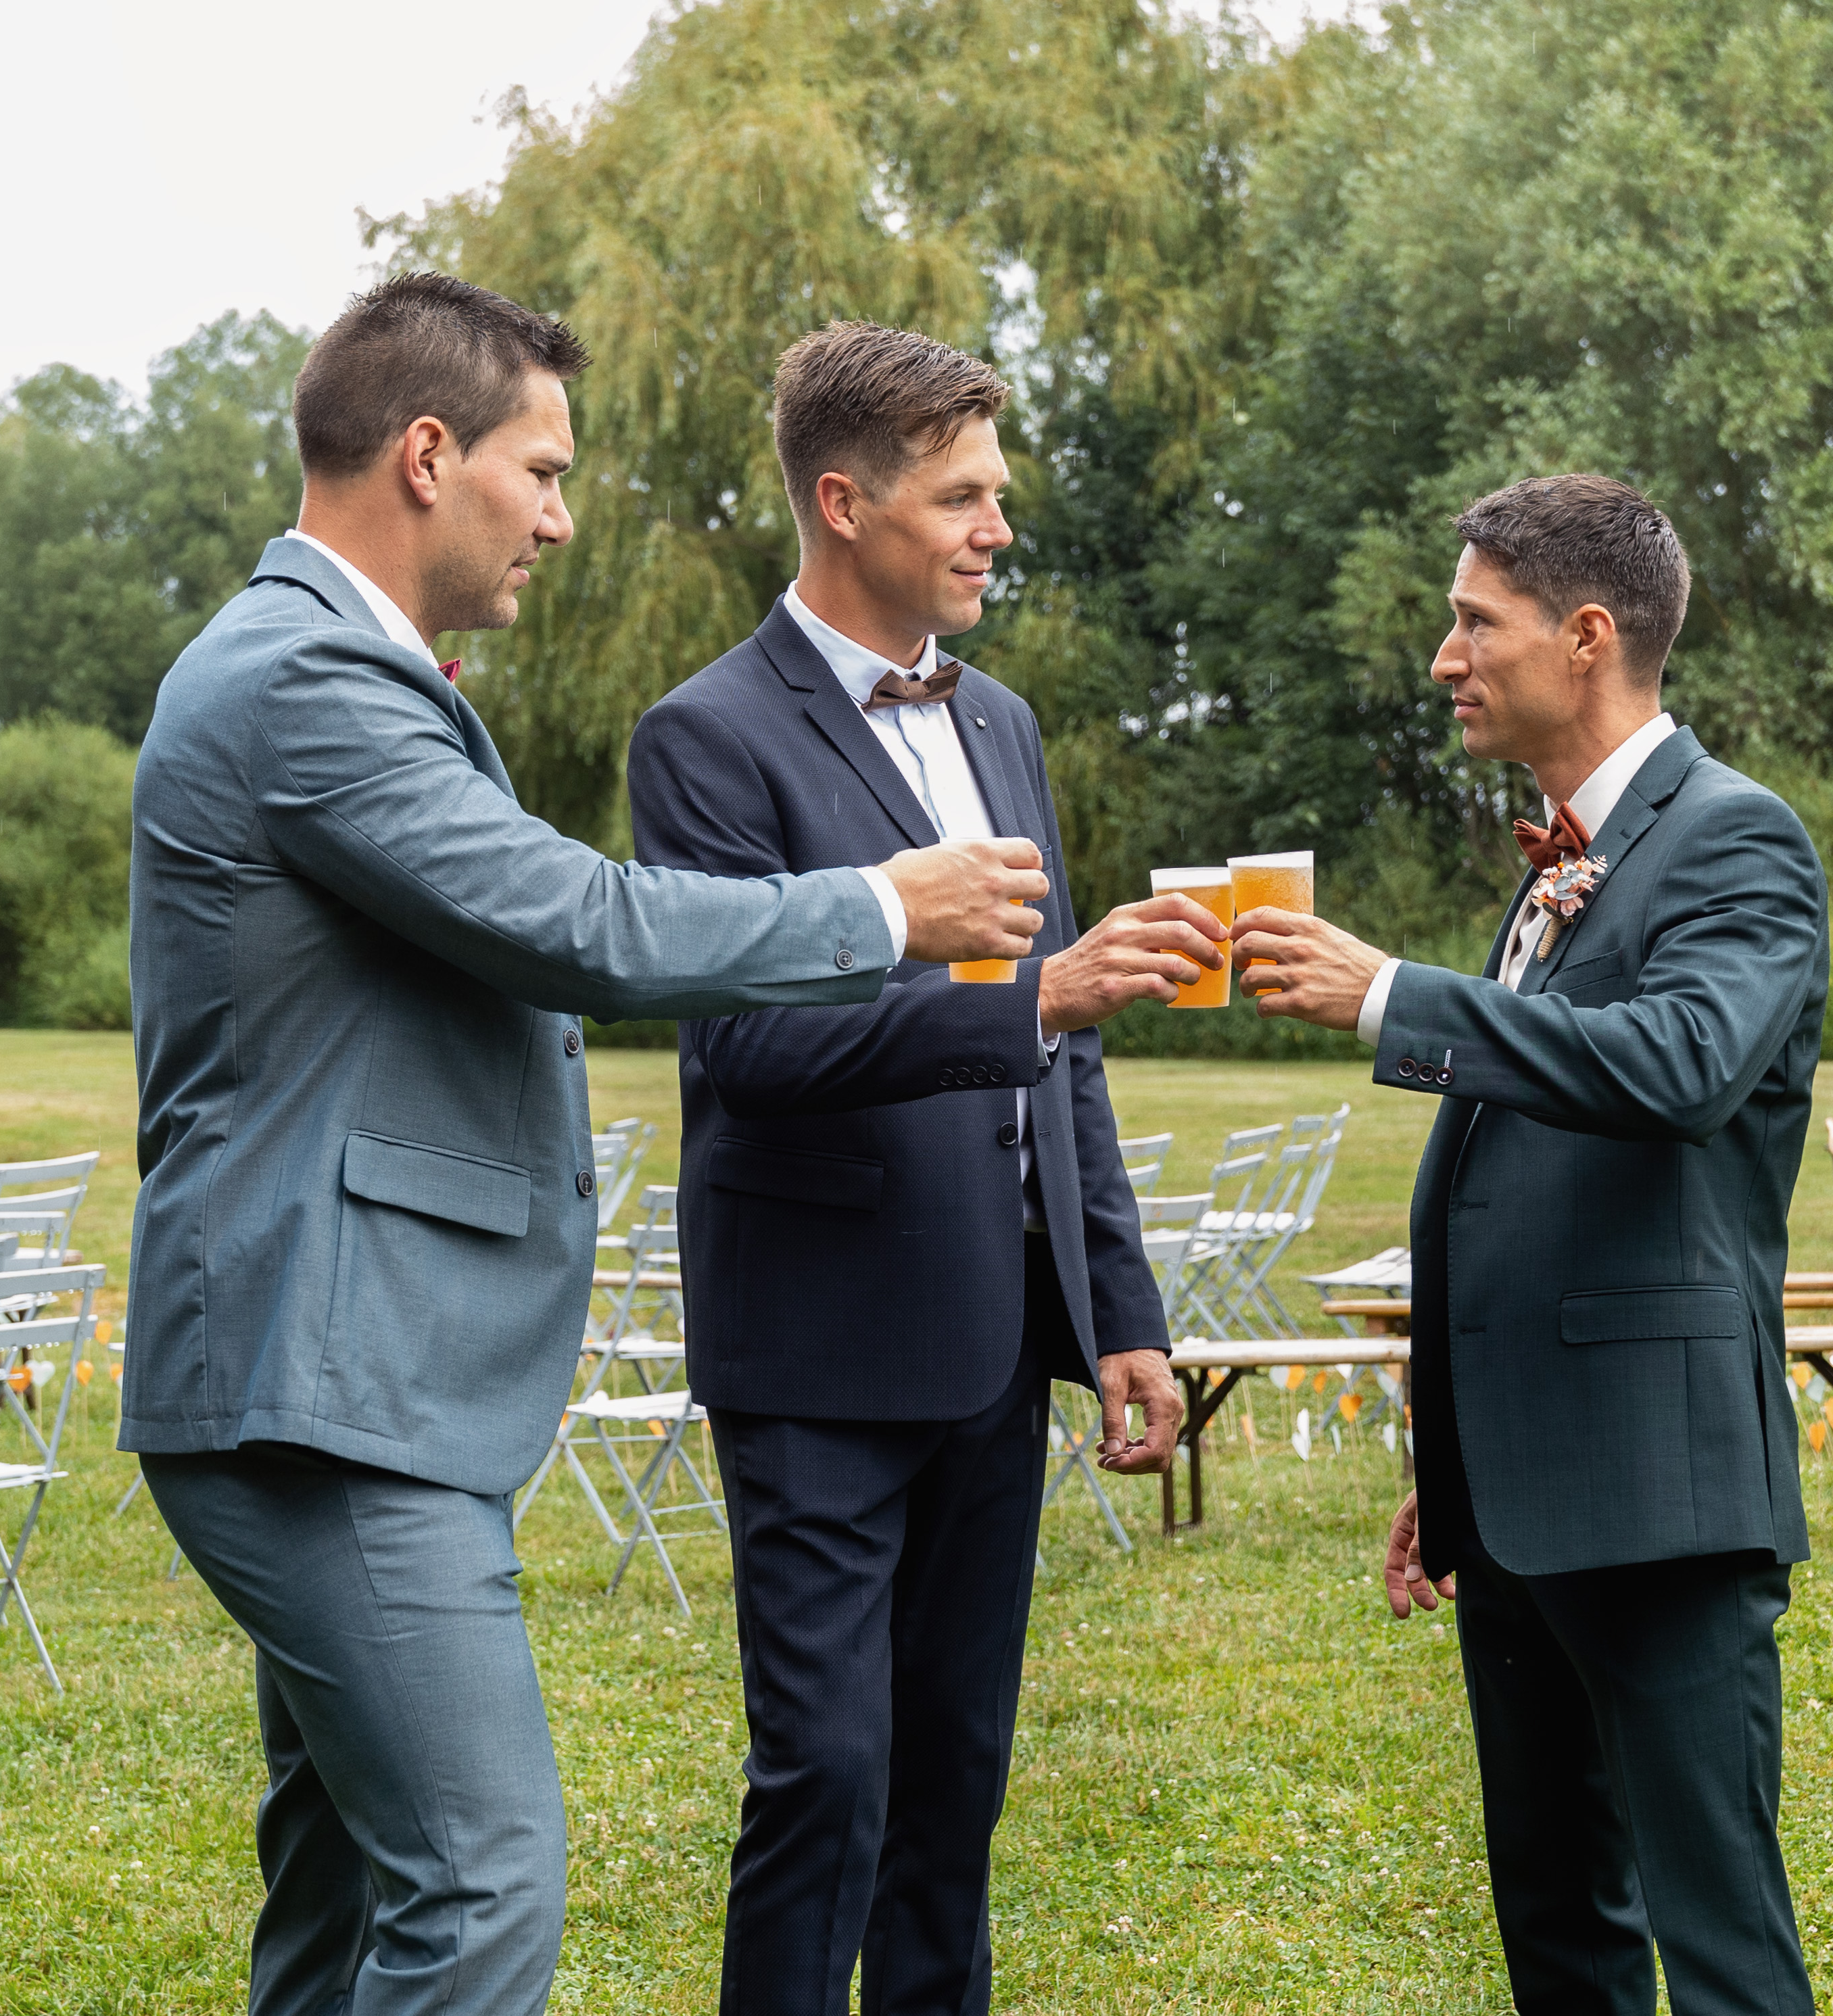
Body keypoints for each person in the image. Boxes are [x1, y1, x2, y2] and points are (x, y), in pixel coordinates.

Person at [121, 274, 1047, 2016]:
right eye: (539, 472)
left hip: (361, 1377)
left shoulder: (336, 670)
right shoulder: (302, 676)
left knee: (344, 1906)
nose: (558, 517)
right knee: (480, 1892)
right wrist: (880, 906)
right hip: (325, 1382)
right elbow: (583, 925)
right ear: (426, 456)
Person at [623, 320, 1220, 2015]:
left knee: (954, 1783)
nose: (995, 529)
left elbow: (1063, 1062)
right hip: (816, 1346)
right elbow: (747, 1055)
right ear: (842, 502)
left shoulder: (1002, 725)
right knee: (826, 1777)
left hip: (990, 1343)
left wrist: (1119, 1311)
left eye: (995, 495)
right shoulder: (703, 739)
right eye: (961, 497)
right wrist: (1034, 998)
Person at [1235, 474, 1828, 2016]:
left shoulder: (1737, 838)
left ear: (1584, 636)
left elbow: (1680, 1067)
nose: (1444, 658)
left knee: (1718, 1941)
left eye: (1472, 621)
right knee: (1557, 1930)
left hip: (1660, 1495)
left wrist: (1388, 997)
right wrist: (1459, 1457)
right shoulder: (1557, 860)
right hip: (1517, 1504)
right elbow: (1522, 1176)